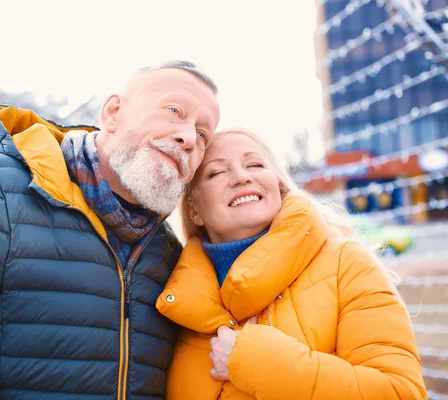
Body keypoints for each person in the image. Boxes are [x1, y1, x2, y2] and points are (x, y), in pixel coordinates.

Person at [0, 60, 220, 399]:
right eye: (174, 111)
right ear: (113, 113)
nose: (188, 137)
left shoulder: (171, 253)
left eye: (203, 134)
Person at [157, 129, 426, 399]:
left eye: (255, 164)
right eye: (217, 172)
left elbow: (401, 392)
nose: (242, 177)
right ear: (194, 210)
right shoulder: (176, 303)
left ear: (278, 185)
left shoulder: (346, 263)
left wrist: (261, 363)